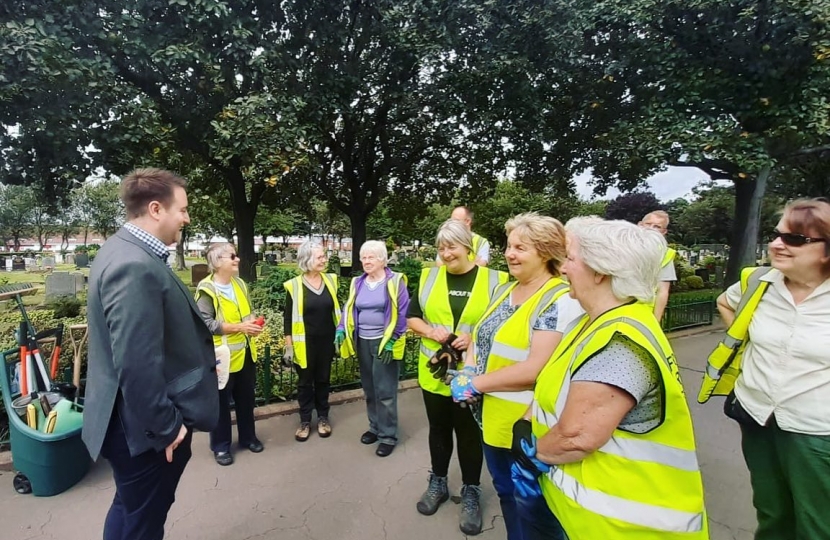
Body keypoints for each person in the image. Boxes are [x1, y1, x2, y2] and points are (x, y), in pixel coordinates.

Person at [511, 216, 708, 540]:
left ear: (600, 271)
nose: (562, 269)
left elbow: (576, 437)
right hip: (582, 513)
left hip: (619, 526)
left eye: (570, 259)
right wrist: (529, 421)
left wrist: (531, 456)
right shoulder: (596, 322)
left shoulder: (620, 345)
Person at [82, 168, 219, 540]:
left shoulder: (123, 249)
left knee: (130, 509)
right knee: (143, 524)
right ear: (156, 209)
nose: (187, 219)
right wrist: (167, 427)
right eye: (183, 210)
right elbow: (135, 363)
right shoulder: (134, 265)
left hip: (130, 425)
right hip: (143, 432)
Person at [451, 212, 583, 540]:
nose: (510, 254)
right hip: (493, 421)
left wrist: (474, 383)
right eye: (509, 246)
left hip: (529, 427)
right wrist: (467, 367)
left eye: (521, 248)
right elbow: (480, 339)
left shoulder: (559, 299)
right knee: (507, 494)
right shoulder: (505, 292)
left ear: (546, 252)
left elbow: (536, 368)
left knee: (534, 508)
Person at [712, 198, 830, 540]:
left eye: (795, 239)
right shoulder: (760, 283)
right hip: (758, 415)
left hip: (816, 428)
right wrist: (752, 348)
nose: (777, 244)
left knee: (817, 523)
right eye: (776, 235)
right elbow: (725, 302)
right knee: (771, 512)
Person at [406, 220, 508, 535]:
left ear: (468, 247)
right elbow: (411, 317)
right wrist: (430, 331)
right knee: (439, 428)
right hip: (435, 372)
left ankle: (471, 490)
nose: (447, 253)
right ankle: (437, 481)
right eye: (441, 247)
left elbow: (504, 323)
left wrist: (474, 337)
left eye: (452, 246)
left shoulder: (496, 281)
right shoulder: (427, 278)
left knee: (467, 433)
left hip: (473, 374)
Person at [336, 240, 409, 457]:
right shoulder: (358, 282)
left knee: (385, 390)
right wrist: (341, 327)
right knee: (369, 388)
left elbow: (403, 313)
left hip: (384, 342)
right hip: (362, 341)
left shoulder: (395, 281)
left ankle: (388, 435)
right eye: (363, 257)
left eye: (371, 257)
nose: (366, 261)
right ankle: (375, 427)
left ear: (382, 259)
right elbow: (348, 308)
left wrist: (393, 339)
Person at [195, 243, 264, 466]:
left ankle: (248, 438)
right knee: (221, 405)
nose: (237, 259)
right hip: (221, 357)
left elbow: (247, 311)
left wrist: (252, 323)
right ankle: (221, 446)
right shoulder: (207, 289)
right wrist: (241, 328)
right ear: (217, 262)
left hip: (244, 353)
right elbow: (205, 324)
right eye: (232, 256)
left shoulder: (240, 284)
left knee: (246, 400)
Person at [283, 240, 341, 441]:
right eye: (320, 257)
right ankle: (305, 420)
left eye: (324, 256)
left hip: (327, 341)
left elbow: (336, 311)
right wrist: (288, 346)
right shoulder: (294, 286)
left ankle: (323, 418)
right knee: (305, 382)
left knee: (323, 380)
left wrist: (339, 337)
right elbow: (288, 318)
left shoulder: (331, 281)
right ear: (308, 260)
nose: (324, 259)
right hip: (304, 343)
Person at [638, 210, 676, 321]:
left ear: (663, 232)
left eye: (657, 227)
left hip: (645, 312)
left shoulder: (665, 254)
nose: (651, 229)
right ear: (640, 225)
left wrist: (656, 321)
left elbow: (663, 291)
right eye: (648, 224)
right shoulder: (619, 246)